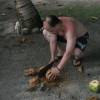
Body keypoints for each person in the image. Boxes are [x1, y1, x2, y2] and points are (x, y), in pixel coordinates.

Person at [42, 15, 89, 80]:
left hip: (80, 37)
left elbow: (68, 52)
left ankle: (77, 57)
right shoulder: (54, 24)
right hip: (63, 34)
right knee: (45, 32)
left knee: (77, 53)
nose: (51, 32)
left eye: (51, 30)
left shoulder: (70, 29)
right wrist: (53, 57)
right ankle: (61, 52)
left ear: (57, 25)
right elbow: (53, 40)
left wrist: (58, 69)